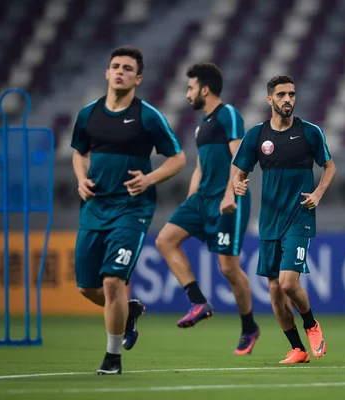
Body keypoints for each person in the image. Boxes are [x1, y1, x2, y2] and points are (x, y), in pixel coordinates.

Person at [71, 46, 186, 375]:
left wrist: (149, 179)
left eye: (127, 68)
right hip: (94, 208)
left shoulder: (147, 115)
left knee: (112, 282)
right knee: (86, 288)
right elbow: (79, 152)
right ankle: (130, 312)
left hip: (131, 210)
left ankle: (112, 358)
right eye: (115, 66)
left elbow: (177, 158)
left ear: (138, 78)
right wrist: (80, 178)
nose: (119, 71)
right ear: (107, 73)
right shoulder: (88, 114)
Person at [155, 62, 260, 355]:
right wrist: (191, 196)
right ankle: (198, 301)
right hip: (202, 200)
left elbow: (241, 156)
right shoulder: (202, 124)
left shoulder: (228, 114)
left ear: (205, 89)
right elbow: (202, 164)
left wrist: (229, 194)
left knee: (228, 267)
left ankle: (249, 327)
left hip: (228, 200)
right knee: (164, 240)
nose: (187, 94)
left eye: (190, 88)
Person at [231, 75, 336, 364]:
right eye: (281, 95)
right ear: (270, 99)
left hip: (299, 218)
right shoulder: (256, 135)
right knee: (275, 292)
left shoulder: (310, 132)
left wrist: (318, 193)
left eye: (291, 94)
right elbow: (238, 170)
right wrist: (237, 185)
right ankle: (298, 349)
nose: (287, 99)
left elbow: (329, 166)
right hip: (269, 222)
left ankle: (312, 324)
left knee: (289, 284)